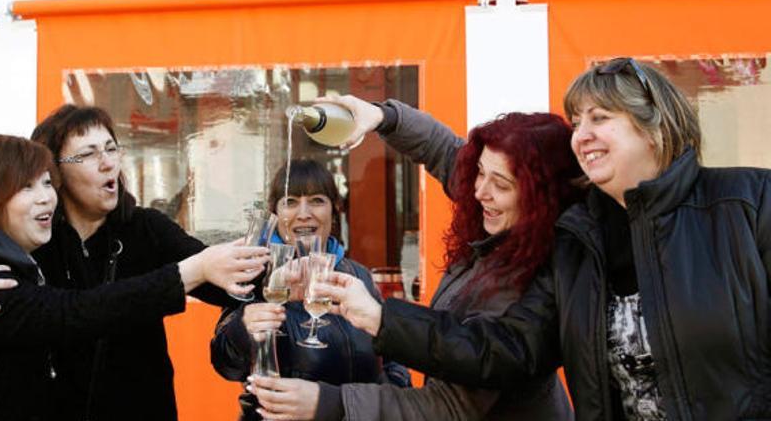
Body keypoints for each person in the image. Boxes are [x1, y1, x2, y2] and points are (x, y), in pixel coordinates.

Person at [308, 58, 771, 420]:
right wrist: (384, 117)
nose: (580, 135)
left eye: (599, 117)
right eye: (576, 120)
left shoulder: (748, 203)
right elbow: (509, 349)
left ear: (655, 128)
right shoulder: (577, 239)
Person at [0, 105, 263, 421]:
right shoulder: (25, 242)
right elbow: (73, 312)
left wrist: (280, 279)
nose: (108, 163)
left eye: (111, 149)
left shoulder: (146, 228)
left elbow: (226, 278)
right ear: (57, 171)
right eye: (87, 154)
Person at [250, 98, 579, 420]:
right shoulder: (501, 221)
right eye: (480, 172)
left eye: (501, 184)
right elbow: (445, 150)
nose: (479, 192)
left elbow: (449, 406)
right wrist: (383, 116)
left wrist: (331, 403)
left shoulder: (525, 282)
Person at [211, 159, 411, 420]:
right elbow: (226, 364)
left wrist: (387, 398)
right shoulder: (255, 275)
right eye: (290, 202)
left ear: (334, 209)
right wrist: (243, 327)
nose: (303, 213)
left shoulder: (357, 274)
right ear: (275, 213)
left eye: (317, 200)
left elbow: (393, 354)